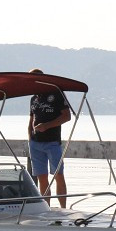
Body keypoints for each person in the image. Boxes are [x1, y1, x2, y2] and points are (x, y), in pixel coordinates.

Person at [27, 68, 71, 207]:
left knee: (58, 175)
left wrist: (47, 125)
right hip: (35, 143)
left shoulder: (56, 94)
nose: (32, 84)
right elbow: (31, 119)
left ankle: (64, 208)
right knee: (42, 178)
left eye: (33, 80)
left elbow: (67, 116)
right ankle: (46, 209)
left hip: (52, 142)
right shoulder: (33, 98)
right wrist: (30, 137)